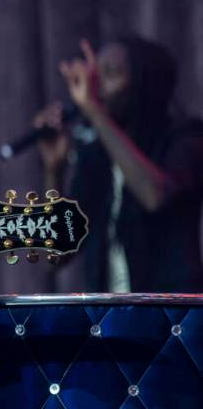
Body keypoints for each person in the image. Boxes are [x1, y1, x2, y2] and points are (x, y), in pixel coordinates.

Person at [35, 37, 203, 293]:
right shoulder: (97, 154)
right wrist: (53, 170)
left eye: (110, 74)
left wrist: (93, 110)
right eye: (96, 75)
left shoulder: (184, 137)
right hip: (111, 321)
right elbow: (56, 255)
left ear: (144, 83)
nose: (97, 87)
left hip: (172, 317)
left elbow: (154, 195)